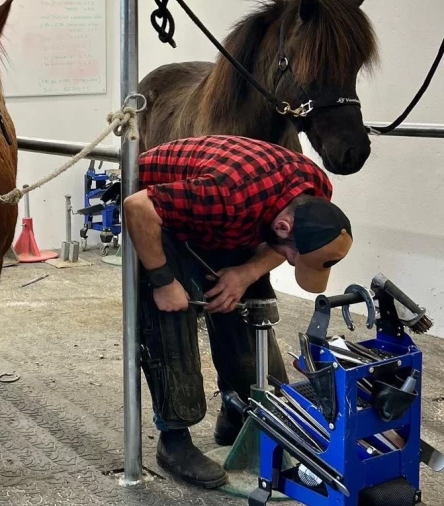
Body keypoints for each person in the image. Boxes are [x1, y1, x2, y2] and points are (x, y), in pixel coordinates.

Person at [122, 135, 353, 489]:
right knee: (170, 318)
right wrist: (164, 281)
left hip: (229, 216)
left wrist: (244, 275)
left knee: (249, 304)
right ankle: (174, 439)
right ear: (283, 227)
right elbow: (138, 207)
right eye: (294, 257)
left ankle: (239, 411)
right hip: (156, 214)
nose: (290, 262)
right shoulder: (225, 196)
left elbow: (272, 251)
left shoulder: (315, 190)